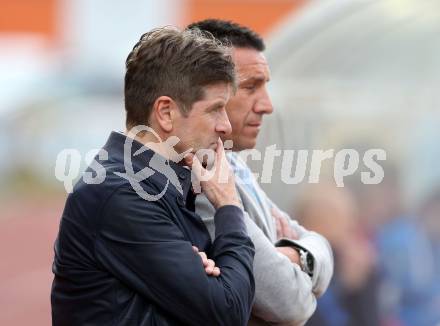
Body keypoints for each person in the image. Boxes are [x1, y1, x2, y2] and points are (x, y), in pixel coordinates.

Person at [51, 27, 256, 326]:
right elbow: (228, 310)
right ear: (165, 113)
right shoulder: (120, 194)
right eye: (215, 109)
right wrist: (229, 207)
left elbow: (221, 296)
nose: (226, 126)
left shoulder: (162, 185)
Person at [187, 19, 334, 325]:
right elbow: (287, 303)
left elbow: (317, 243)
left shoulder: (233, 164)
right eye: (251, 87)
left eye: (266, 86)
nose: (267, 106)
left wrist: (298, 255)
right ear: (208, 91)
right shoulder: (200, 177)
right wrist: (298, 260)